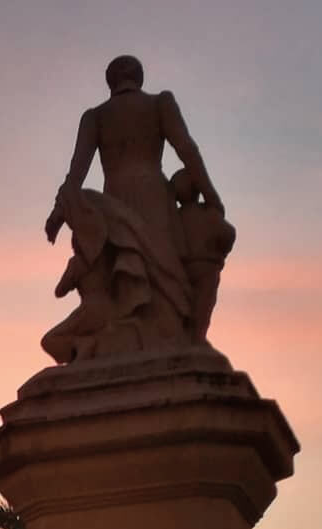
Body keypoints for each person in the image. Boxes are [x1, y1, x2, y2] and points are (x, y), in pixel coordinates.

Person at [42, 56, 228, 358]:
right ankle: (159, 338)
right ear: (139, 77)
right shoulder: (159, 103)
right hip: (153, 196)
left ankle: (133, 338)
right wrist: (211, 195)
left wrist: (58, 213)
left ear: (110, 81)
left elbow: (76, 172)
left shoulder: (95, 117)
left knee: (125, 272)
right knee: (164, 272)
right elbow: (187, 149)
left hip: (114, 201)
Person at [172, 168, 236, 344]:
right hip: (207, 267)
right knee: (203, 304)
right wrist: (220, 251)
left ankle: (189, 336)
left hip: (183, 267)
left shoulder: (175, 217)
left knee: (185, 302)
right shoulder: (208, 213)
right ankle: (197, 337)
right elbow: (228, 234)